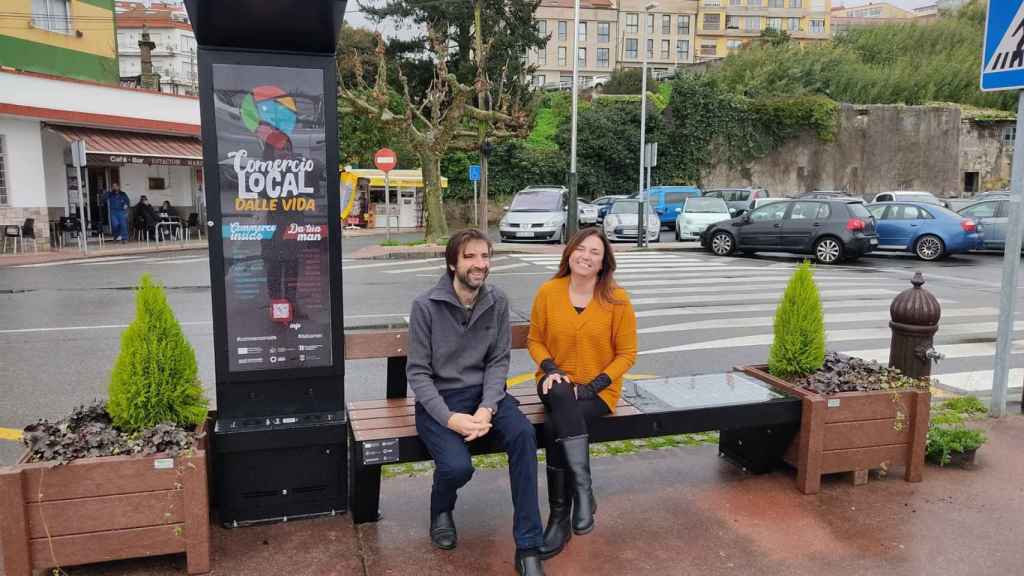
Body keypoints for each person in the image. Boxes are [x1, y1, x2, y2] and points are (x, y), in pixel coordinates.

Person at [406, 229, 545, 576]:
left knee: (524, 435)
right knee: (457, 467)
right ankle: (441, 509)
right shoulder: (426, 306)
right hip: (439, 402)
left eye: (484, 256)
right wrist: (450, 418)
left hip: (485, 397)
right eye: (470, 257)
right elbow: (419, 374)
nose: (479, 264)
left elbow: (498, 361)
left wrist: (487, 407)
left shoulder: (496, 301)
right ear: (453, 263)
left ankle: (528, 545)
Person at [527, 227, 637, 559]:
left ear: (603, 264)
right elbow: (535, 339)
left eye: (595, 253)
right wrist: (551, 369)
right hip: (553, 383)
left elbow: (627, 354)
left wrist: (592, 386)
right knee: (561, 392)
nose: (586, 256)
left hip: (597, 392)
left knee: (553, 426)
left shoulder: (617, 299)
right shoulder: (549, 291)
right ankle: (584, 493)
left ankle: (559, 517)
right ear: (570, 252)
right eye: (581, 249)